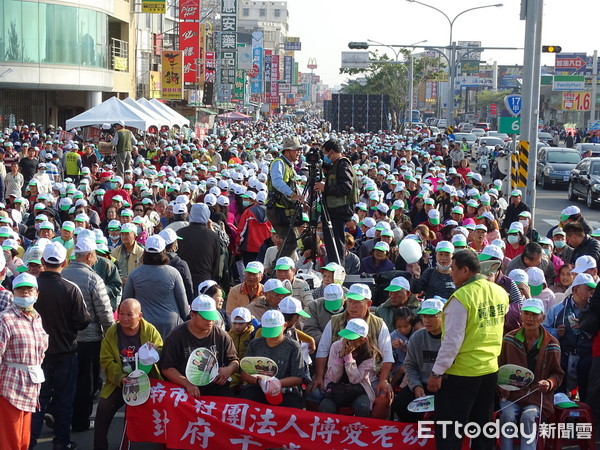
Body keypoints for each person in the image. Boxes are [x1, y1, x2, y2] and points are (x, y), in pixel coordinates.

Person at [427, 249, 509, 450]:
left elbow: (451, 342)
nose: (450, 273)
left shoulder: (461, 297)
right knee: (482, 428)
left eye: (453, 269)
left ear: (465, 270)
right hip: (489, 370)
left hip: (461, 374)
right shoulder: (499, 292)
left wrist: (437, 372)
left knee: (450, 432)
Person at [30, 242, 91, 450]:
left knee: (38, 400)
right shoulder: (70, 289)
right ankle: (61, 442)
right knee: (64, 400)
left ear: (42, 262)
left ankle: (29, 441)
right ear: (64, 263)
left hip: (38, 354)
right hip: (65, 352)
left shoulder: (32, 288)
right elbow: (83, 321)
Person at [311, 283, 394, 419]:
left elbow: (388, 357)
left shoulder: (378, 324)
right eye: (350, 301)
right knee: (313, 394)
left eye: (357, 302)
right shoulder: (335, 321)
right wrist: (319, 376)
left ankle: (373, 434)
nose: (352, 306)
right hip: (335, 378)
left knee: (382, 398)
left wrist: (383, 380)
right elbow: (322, 351)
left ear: (368, 304)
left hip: (367, 378)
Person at [94, 298, 163, 450]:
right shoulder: (112, 332)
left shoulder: (149, 330)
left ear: (140, 315)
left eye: (130, 315)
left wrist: (155, 350)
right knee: (104, 408)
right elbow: (106, 361)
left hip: (147, 381)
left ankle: (165, 445)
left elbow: (163, 352)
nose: (124, 318)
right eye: (121, 314)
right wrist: (120, 377)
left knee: (165, 406)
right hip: (121, 381)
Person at [61, 237, 115, 432]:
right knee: (86, 382)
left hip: (65, 338)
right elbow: (105, 313)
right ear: (91, 256)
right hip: (90, 339)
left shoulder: (63, 273)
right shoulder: (93, 278)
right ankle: (81, 422)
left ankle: (63, 419)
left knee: (67, 381)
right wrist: (112, 335)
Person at [0, 273, 48, 450]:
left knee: (23, 441)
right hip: (9, 388)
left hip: (30, 388)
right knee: (10, 441)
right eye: (20, 290)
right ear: (13, 293)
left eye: (29, 289)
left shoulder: (36, 318)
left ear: (37, 294)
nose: (25, 293)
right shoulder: (5, 319)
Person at [159, 294, 239, 398]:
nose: (210, 321)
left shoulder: (221, 335)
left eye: (212, 317)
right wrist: (187, 384)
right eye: (206, 318)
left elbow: (235, 361)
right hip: (182, 386)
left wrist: (228, 370)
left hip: (214, 385)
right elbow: (166, 368)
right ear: (192, 315)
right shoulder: (176, 336)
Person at [319, 318, 390, 418]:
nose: (348, 340)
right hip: (336, 389)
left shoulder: (369, 353)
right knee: (325, 407)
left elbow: (355, 379)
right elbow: (334, 378)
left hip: (358, 389)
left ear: (363, 340)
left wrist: (348, 357)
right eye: (347, 336)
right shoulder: (336, 347)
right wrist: (340, 357)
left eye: (353, 338)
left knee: (362, 407)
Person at [123, 235, 188, 338]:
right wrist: (186, 322)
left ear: (145, 252)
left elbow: (126, 300)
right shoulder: (173, 273)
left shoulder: (134, 274)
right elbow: (183, 303)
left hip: (144, 325)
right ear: (163, 252)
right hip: (170, 325)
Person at [543, 273, 595, 400]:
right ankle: (559, 416)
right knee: (559, 393)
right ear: (575, 289)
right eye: (588, 288)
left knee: (587, 394)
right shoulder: (557, 309)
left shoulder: (594, 311)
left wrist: (587, 327)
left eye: (593, 289)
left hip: (586, 357)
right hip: (563, 356)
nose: (591, 292)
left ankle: (585, 417)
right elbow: (543, 330)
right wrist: (556, 332)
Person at [239, 310, 305, 408]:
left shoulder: (293, 347)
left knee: (292, 408)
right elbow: (244, 373)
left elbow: (298, 378)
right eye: (268, 332)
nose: (271, 337)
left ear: (285, 326)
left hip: (285, 389)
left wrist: (276, 384)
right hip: (258, 387)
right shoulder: (255, 344)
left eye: (275, 332)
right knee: (246, 403)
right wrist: (260, 382)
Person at [392, 298, 444, 422]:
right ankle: (414, 437)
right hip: (422, 384)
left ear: (443, 316)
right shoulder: (417, 337)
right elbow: (410, 365)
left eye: (432, 316)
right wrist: (416, 386)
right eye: (424, 316)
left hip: (445, 386)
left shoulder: (451, 337)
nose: (427, 320)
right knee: (400, 403)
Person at [314, 140, 358, 264]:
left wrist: (325, 188)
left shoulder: (343, 165)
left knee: (336, 243)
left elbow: (345, 187)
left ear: (331, 152)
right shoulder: (336, 165)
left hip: (339, 210)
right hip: (334, 209)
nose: (324, 157)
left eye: (325, 153)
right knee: (331, 243)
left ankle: (337, 268)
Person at [266, 136, 305, 258]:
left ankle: (279, 268)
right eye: (295, 150)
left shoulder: (289, 165)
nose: (298, 153)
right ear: (287, 151)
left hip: (284, 209)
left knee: (291, 241)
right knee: (290, 242)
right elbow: (277, 182)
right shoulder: (279, 163)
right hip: (277, 209)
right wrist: (293, 195)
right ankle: (276, 269)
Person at [176, 203, 220, 294]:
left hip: (182, 279)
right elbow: (216, 263)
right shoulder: (213, 236)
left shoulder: (180, 233)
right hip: (204, 280)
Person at [159, 228, 194, 305]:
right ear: (173, 246)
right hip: (176, 308)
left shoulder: (153, 263)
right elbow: (189, 289)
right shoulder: (181, 264)